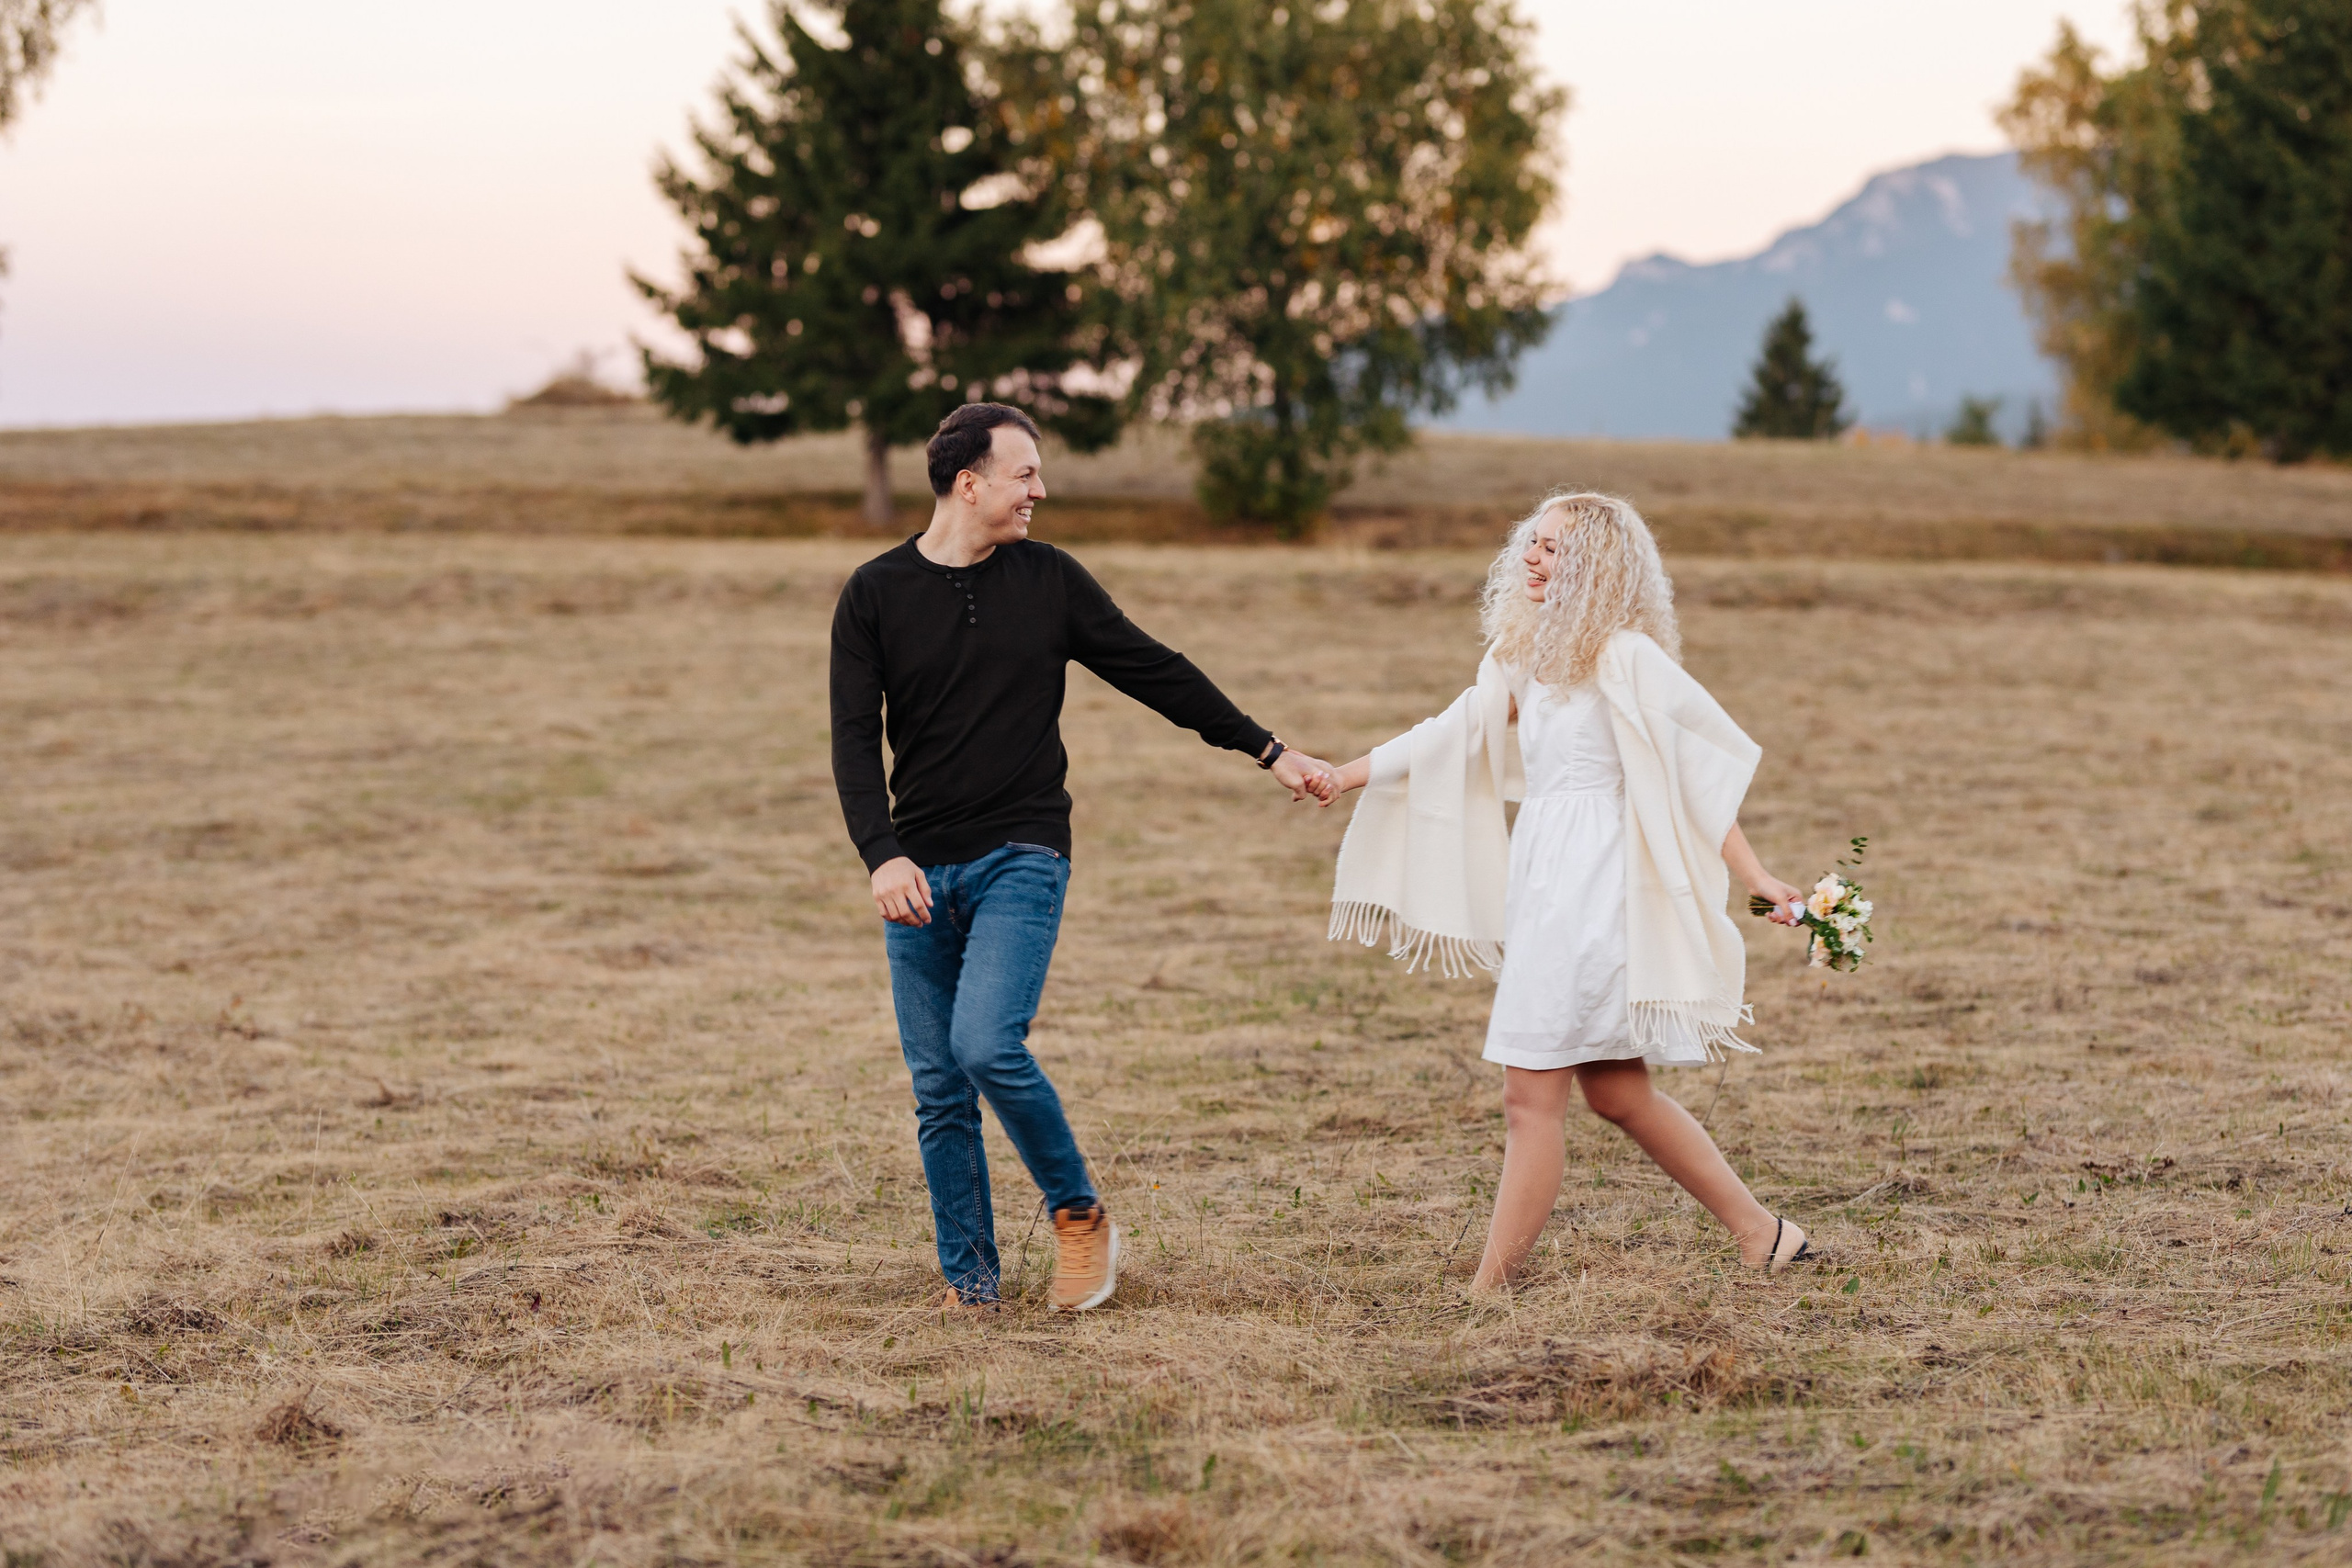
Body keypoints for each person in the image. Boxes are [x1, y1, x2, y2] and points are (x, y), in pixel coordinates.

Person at [830, 402, 1336, 1314]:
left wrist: (1270, 750)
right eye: (1025, 474)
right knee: (940, 1088)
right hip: (918, 872)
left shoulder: (1049, 580)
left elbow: (1156, 669)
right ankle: (971, 1286)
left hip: (1022, 851)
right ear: (968, 480)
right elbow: (852, 741)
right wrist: (881, 854)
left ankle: (1076, 1214)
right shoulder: (874, 593)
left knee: (985, 1044)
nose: (1041, 490)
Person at [1319, 491, 1815, 1288]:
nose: (1531, 558)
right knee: (1619, 1092)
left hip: (1598, 896)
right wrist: (1344, 774)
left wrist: (1756, 877)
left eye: (1551, 548)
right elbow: (1451, 730)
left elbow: (1695, 780)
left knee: (1529, 1099)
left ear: (1595, 566)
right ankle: (1763, 1232)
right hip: (1548, 884)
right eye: (1533, 543)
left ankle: (1487, 1290)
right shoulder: (1529, 657)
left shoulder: (1624, 657)